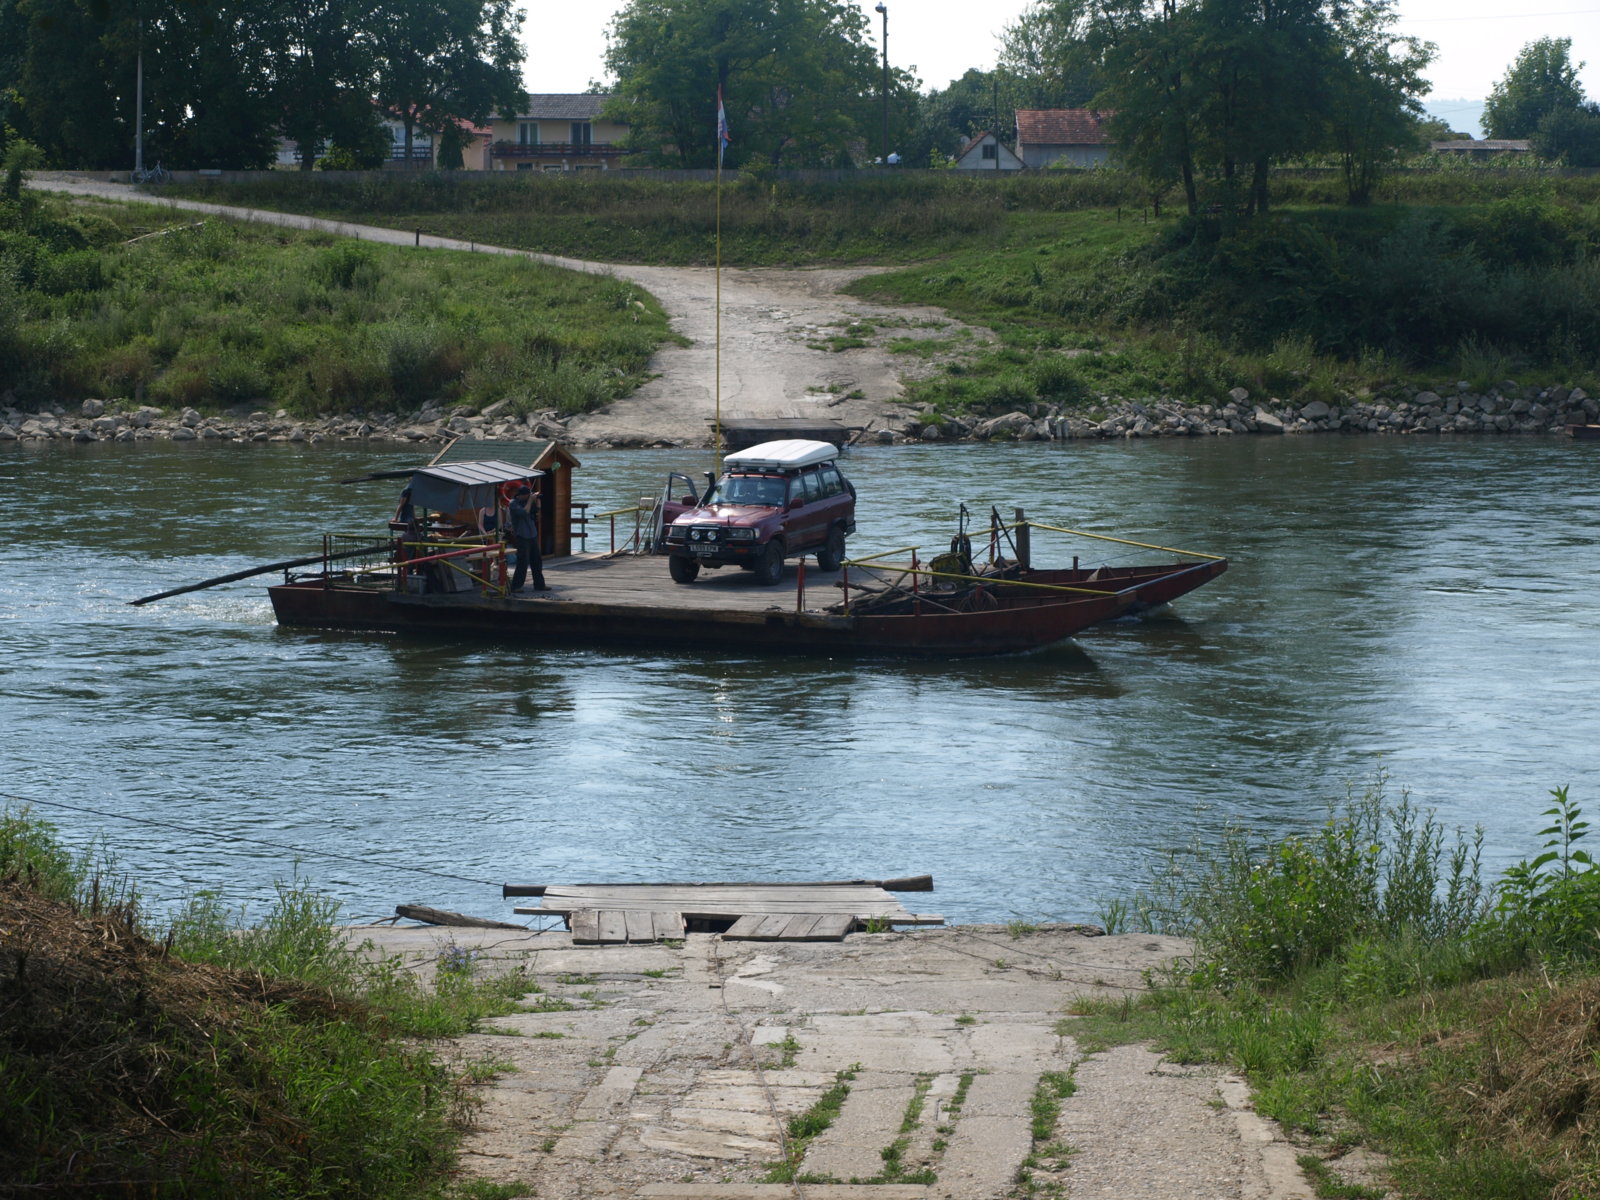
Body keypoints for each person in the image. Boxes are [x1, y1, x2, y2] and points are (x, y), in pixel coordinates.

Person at [508, 485, 547, 592]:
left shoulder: (527, 502)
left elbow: (536, 514)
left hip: (532, 534)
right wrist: (530, 500)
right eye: (527, 496)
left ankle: (539, 585)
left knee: (537, 561)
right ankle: (516, 586)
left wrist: (537, 502)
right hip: (522, 536)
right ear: (521, 495)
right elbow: (524, 513)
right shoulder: (513, 504)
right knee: (522, 562)